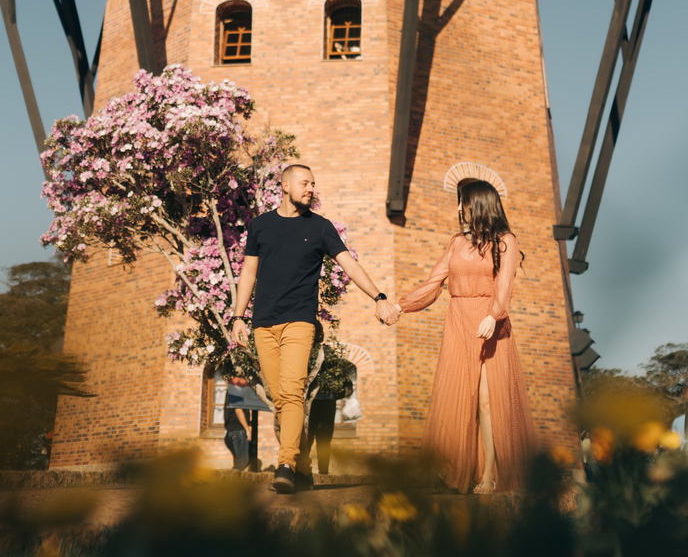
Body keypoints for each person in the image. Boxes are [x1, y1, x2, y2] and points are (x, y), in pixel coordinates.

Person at [231, 164, 394, 495]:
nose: (310, 189)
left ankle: (286, 465)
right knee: (281, 399)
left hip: (299, 321)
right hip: (263, 324)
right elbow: (248, 272)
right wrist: (238, 316)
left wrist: (379, 297)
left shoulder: (320, 227)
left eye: (313, 184)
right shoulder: (260, 225)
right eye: (305, 183)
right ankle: (304, 469)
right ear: (285, 185)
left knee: (292, 393)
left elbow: (349, 265)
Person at [388, 176, 539, 494]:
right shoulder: (457, 243)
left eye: (463, 202)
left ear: (479, 204)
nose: (459, 208)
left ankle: (489, 475)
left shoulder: (505, 241)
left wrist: (493, 315)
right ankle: (454, 469)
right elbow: (434, 283)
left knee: (486, 401)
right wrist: (401, 306)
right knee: (458, 398)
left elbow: (504, 286)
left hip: (489, 324)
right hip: (458, 322)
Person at [222, 378, 252, 471]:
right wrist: (247, 430)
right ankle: (229, 479)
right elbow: (238, 411)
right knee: (242, 462)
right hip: (238, 432)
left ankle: (231, 479)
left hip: (231, 432)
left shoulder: (229, 393)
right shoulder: (236, 393)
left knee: (238, 461)